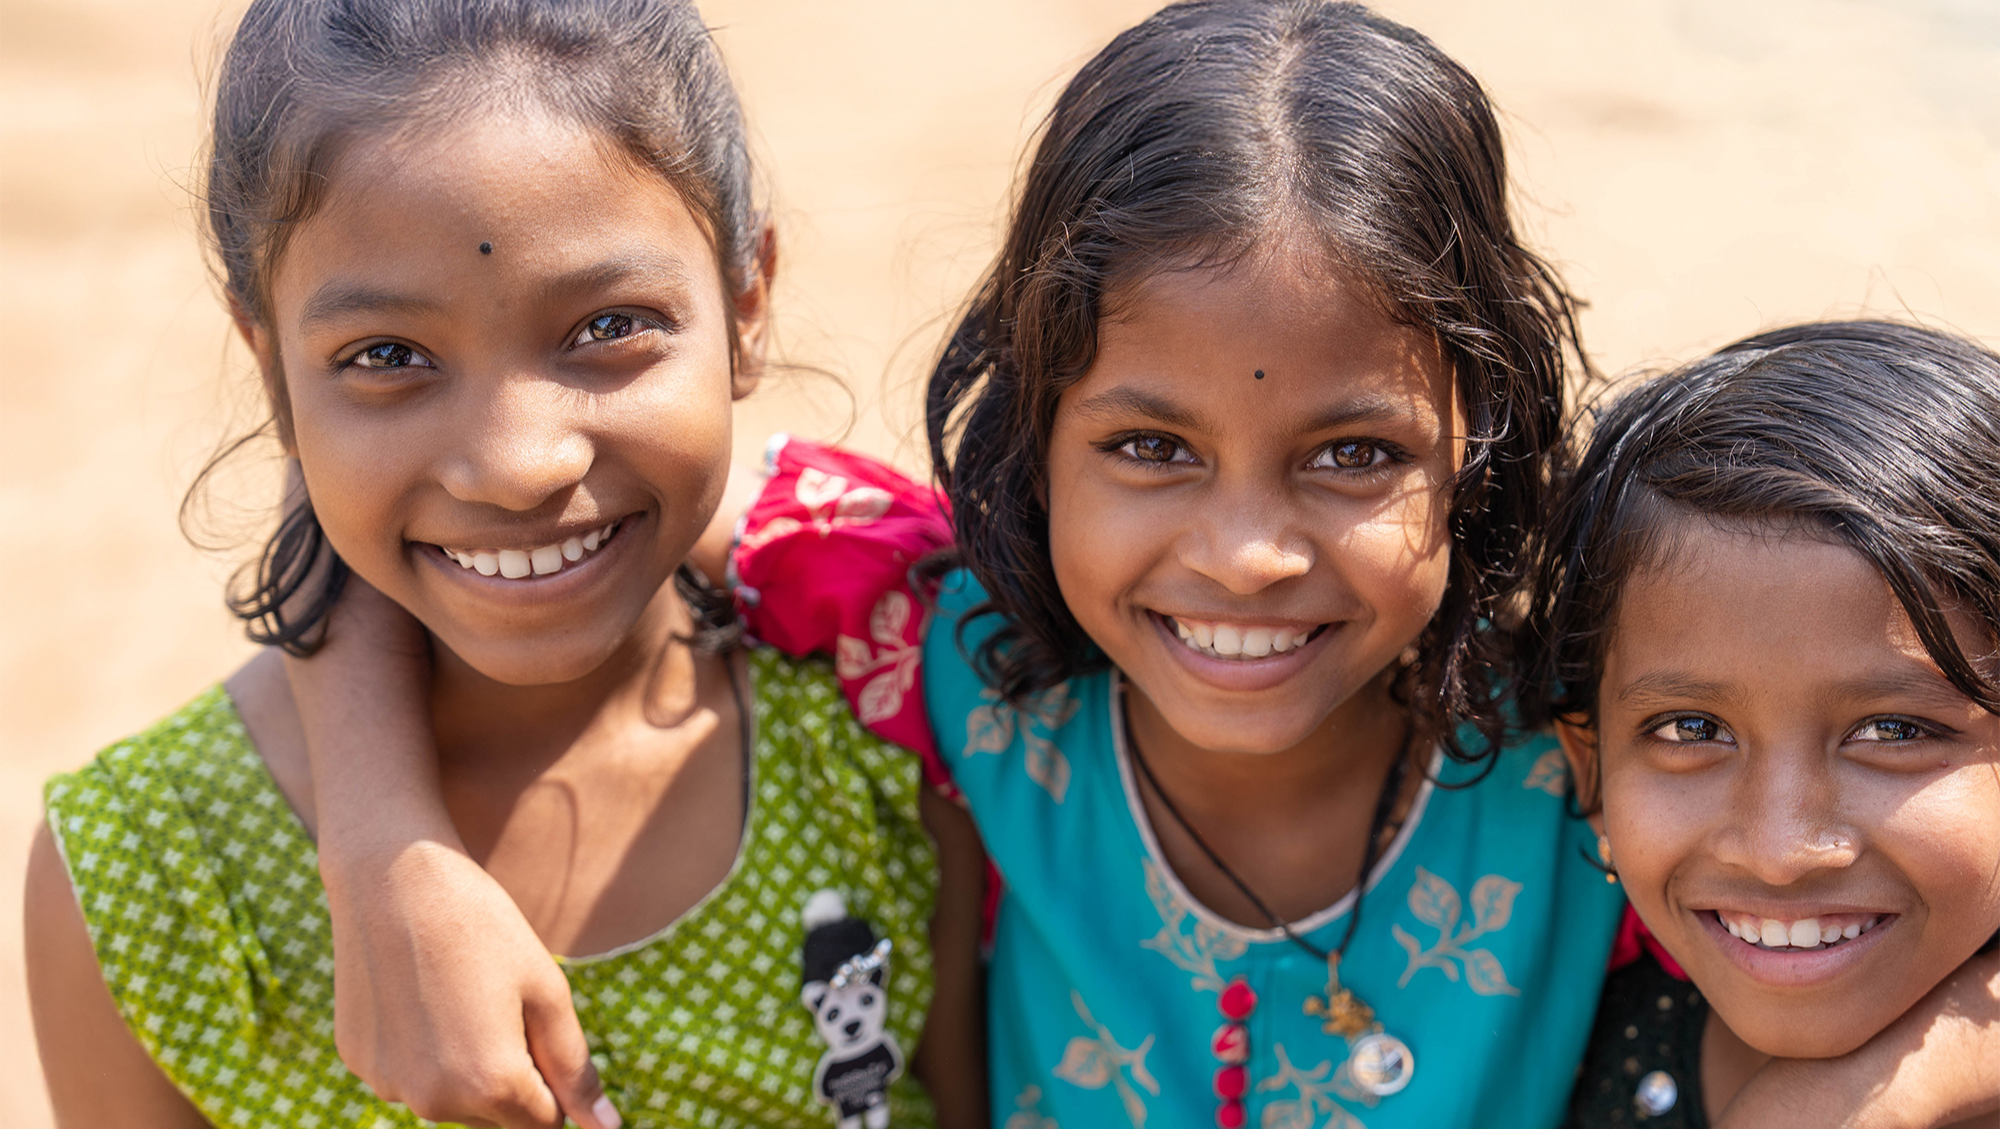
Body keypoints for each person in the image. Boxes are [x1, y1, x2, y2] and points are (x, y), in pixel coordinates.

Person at [273, 4, 2000, 1128]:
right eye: (1151, 447)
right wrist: (389, 849)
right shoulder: (948, 637)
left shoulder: (1587, 738)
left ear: (1480, 434)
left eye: (1354, 453)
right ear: (1034, 429)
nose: (1244, 552)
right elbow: (526, 513)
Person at [21, 1, 984, 1126]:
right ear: (269, 366)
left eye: (608, 326)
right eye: (387, 356)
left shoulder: (891, 721)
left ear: (745, 300)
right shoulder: (157, 887)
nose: (517, 465)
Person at [1535, 322, 2000, 1127]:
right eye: (1690, 728)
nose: (1780, 853)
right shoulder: (1553, 1024)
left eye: (1893, 731)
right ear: (1592, 764)